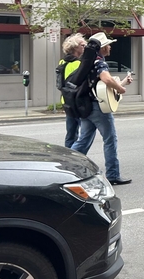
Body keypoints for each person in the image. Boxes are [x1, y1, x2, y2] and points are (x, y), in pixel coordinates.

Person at [71, 32, 133, 185]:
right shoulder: (99, 62)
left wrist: (122, 83)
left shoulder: (87, 62)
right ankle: (113, 174)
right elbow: (106, 79)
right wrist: (121, 89)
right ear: (103, 48)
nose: (110, 47)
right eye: (108, 45)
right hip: (98, 107)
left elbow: (102, 88)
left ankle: (68, 166)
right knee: (110, 139)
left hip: (86, 106)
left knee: (83, 140)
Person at [57, 33, 95, 149]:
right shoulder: (78, 64)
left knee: (71, 133)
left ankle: (68, 153)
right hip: (77, 102)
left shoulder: (62, 62)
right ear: (75, 47)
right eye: (83, 45)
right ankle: (74, 155)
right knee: (85, 135)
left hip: (66, 101)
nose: (85, 47)